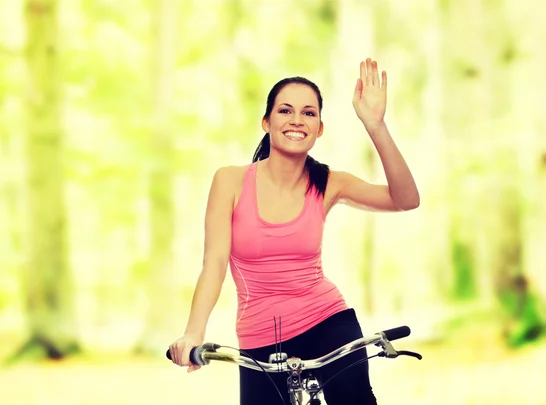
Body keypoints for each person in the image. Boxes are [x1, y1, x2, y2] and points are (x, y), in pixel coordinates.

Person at [168, 58, 420, 404]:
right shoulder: (231, 181)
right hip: (260, 338)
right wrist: (194, 332)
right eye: (286, 111)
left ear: (319, 129)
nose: (297, 120)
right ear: (266, 121)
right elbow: (214, 262)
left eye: (309, 113)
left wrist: (375, 125)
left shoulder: (329, 183)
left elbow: (405, 199)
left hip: (329, 324)